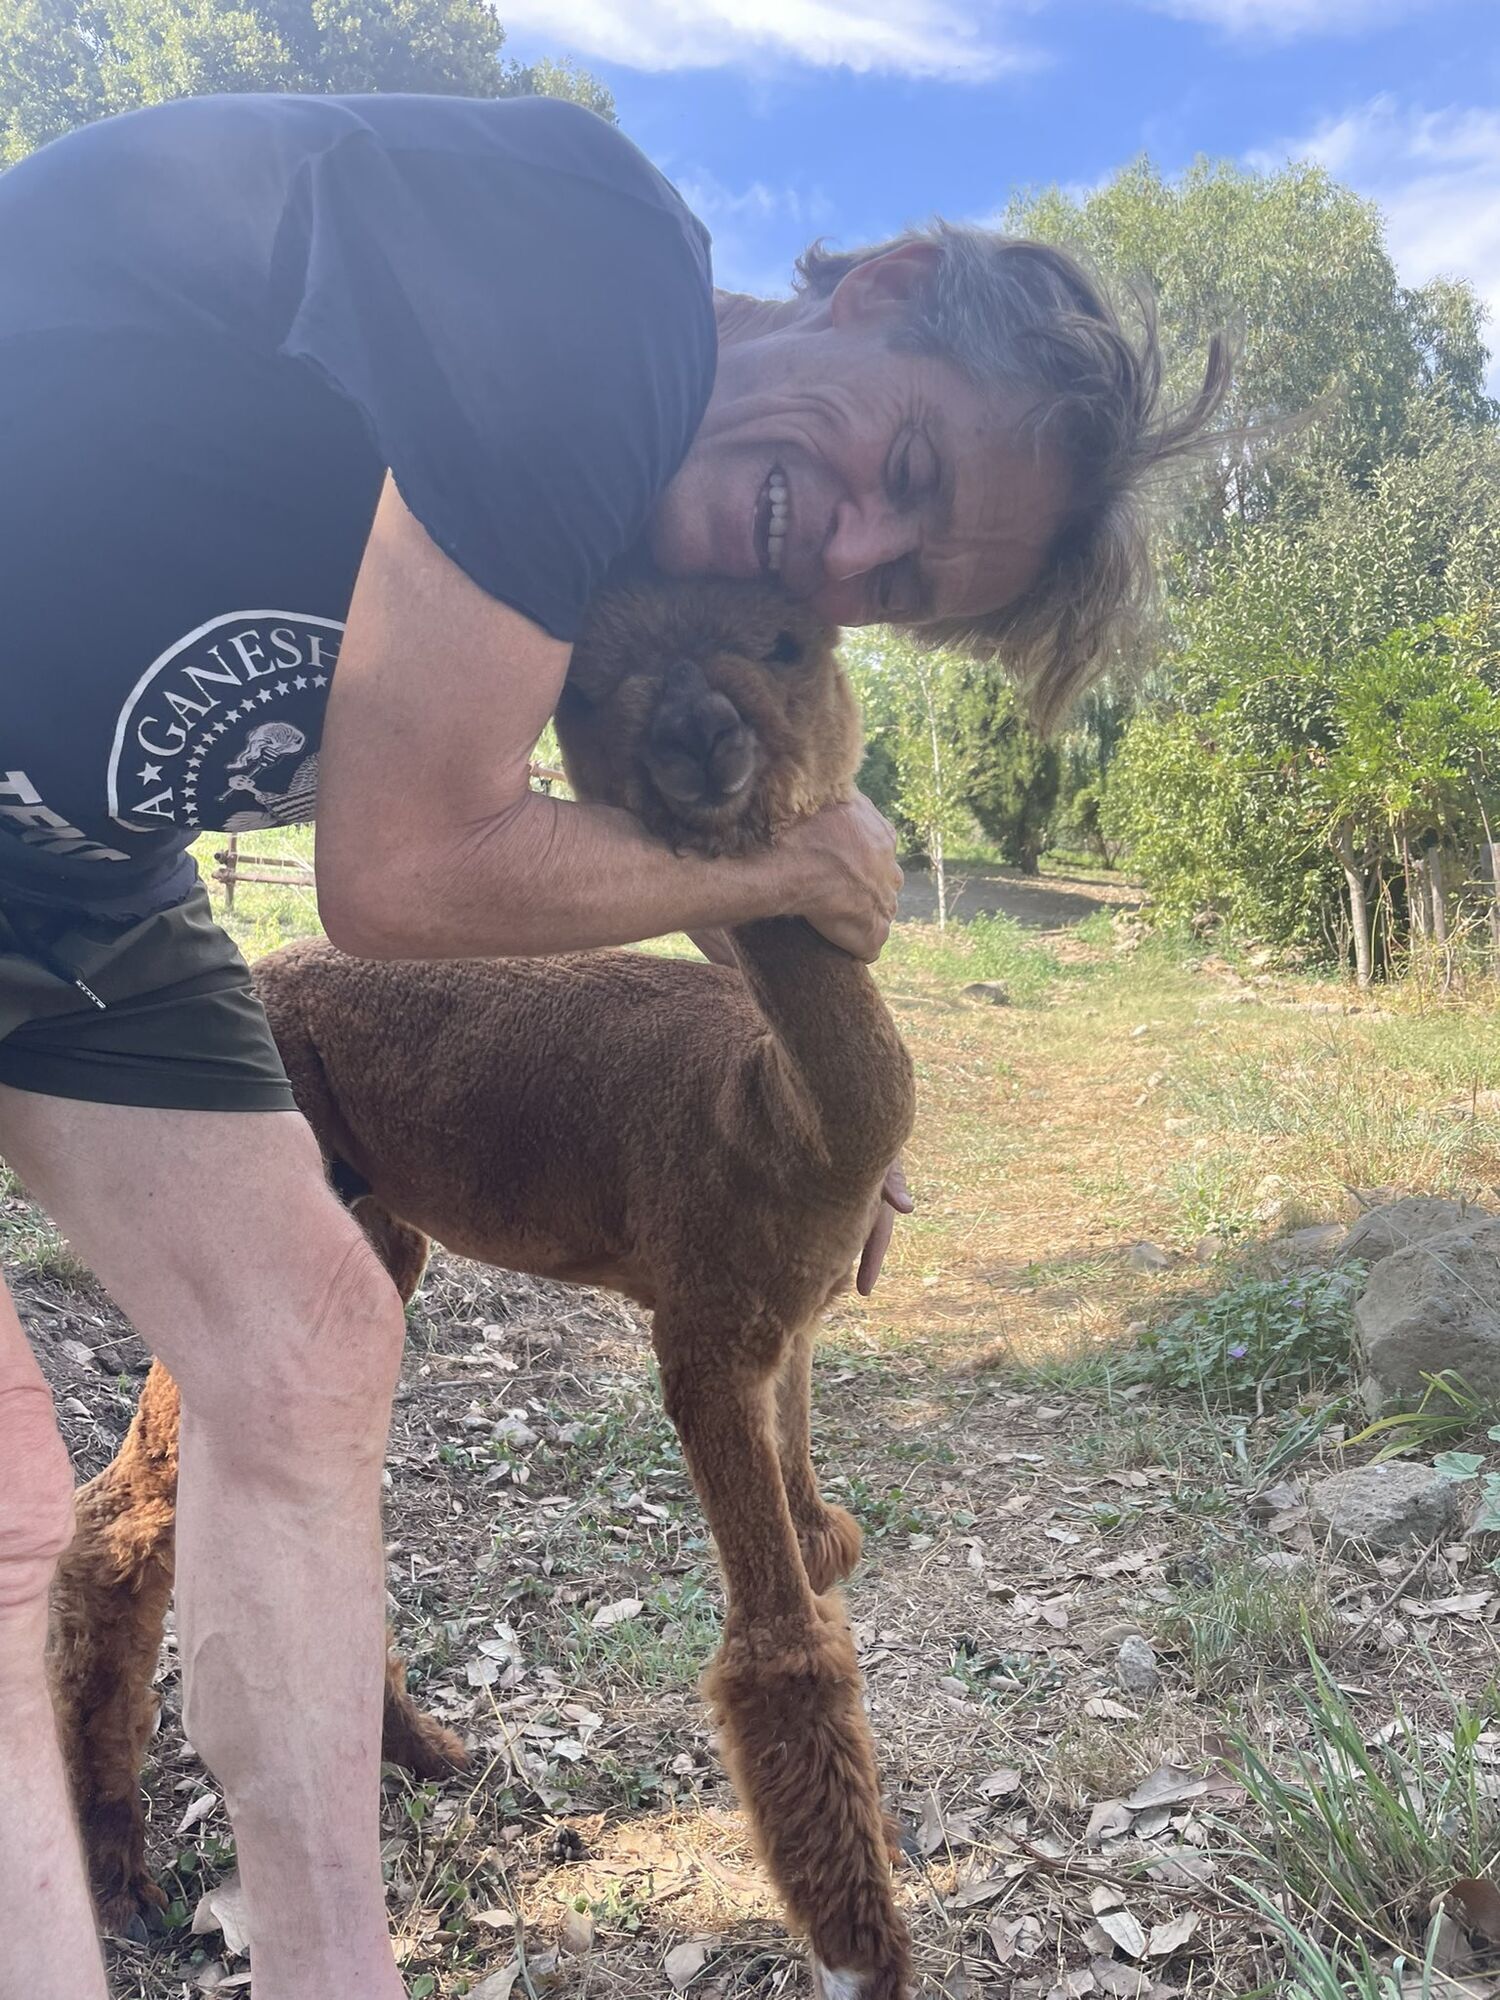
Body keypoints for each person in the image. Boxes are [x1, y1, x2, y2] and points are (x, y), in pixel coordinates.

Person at [0, 92, 1228, 2000]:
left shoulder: (618, 563)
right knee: (15, 1511)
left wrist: (824, 1084)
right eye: (902, 457)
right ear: (878, 281)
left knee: (318, 1350)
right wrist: (810, 862)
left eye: (899, 583)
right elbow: (398, 871)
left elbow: (650, 790)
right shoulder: (597, 288)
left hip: (70, 872)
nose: (853, 549)